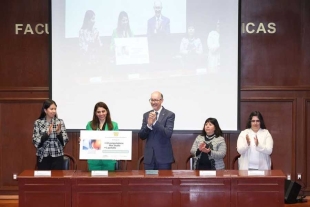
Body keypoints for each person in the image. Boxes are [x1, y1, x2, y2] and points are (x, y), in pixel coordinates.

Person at [138, 91, 175, 170]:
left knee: (164, 182)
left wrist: (155, 122)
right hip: (149, 158)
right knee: (149, 181)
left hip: (163, 158)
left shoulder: (170, 114)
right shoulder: (146, 115)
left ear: (161, 100)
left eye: (156, 100)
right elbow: (141, 136)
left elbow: (168, 133)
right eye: (152, 100)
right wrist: (148, 125)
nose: (153, 102)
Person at [32, 100, 69, 170]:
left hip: (57, 157)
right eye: (51, 109)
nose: (54, 111)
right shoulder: (38, 123)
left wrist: (58, 133)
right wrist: (47, 134)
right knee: (44, 180)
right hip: (43, 157)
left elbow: (65, 141)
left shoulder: (59, 122)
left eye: (55, 109)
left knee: (57, 180)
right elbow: (35, 141)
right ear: (45, 110)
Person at [86, 102, 118, 171]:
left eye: (103, 111)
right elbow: (88, 141)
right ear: (95, 113)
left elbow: (116, 142)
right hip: (93, 160)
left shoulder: (114, 125)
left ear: (107, 111)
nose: (101, 114)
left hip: (109, 160)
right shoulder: (89, 125)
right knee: (93, 181)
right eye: (98, 112)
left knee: (109, 181)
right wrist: (82, 140)